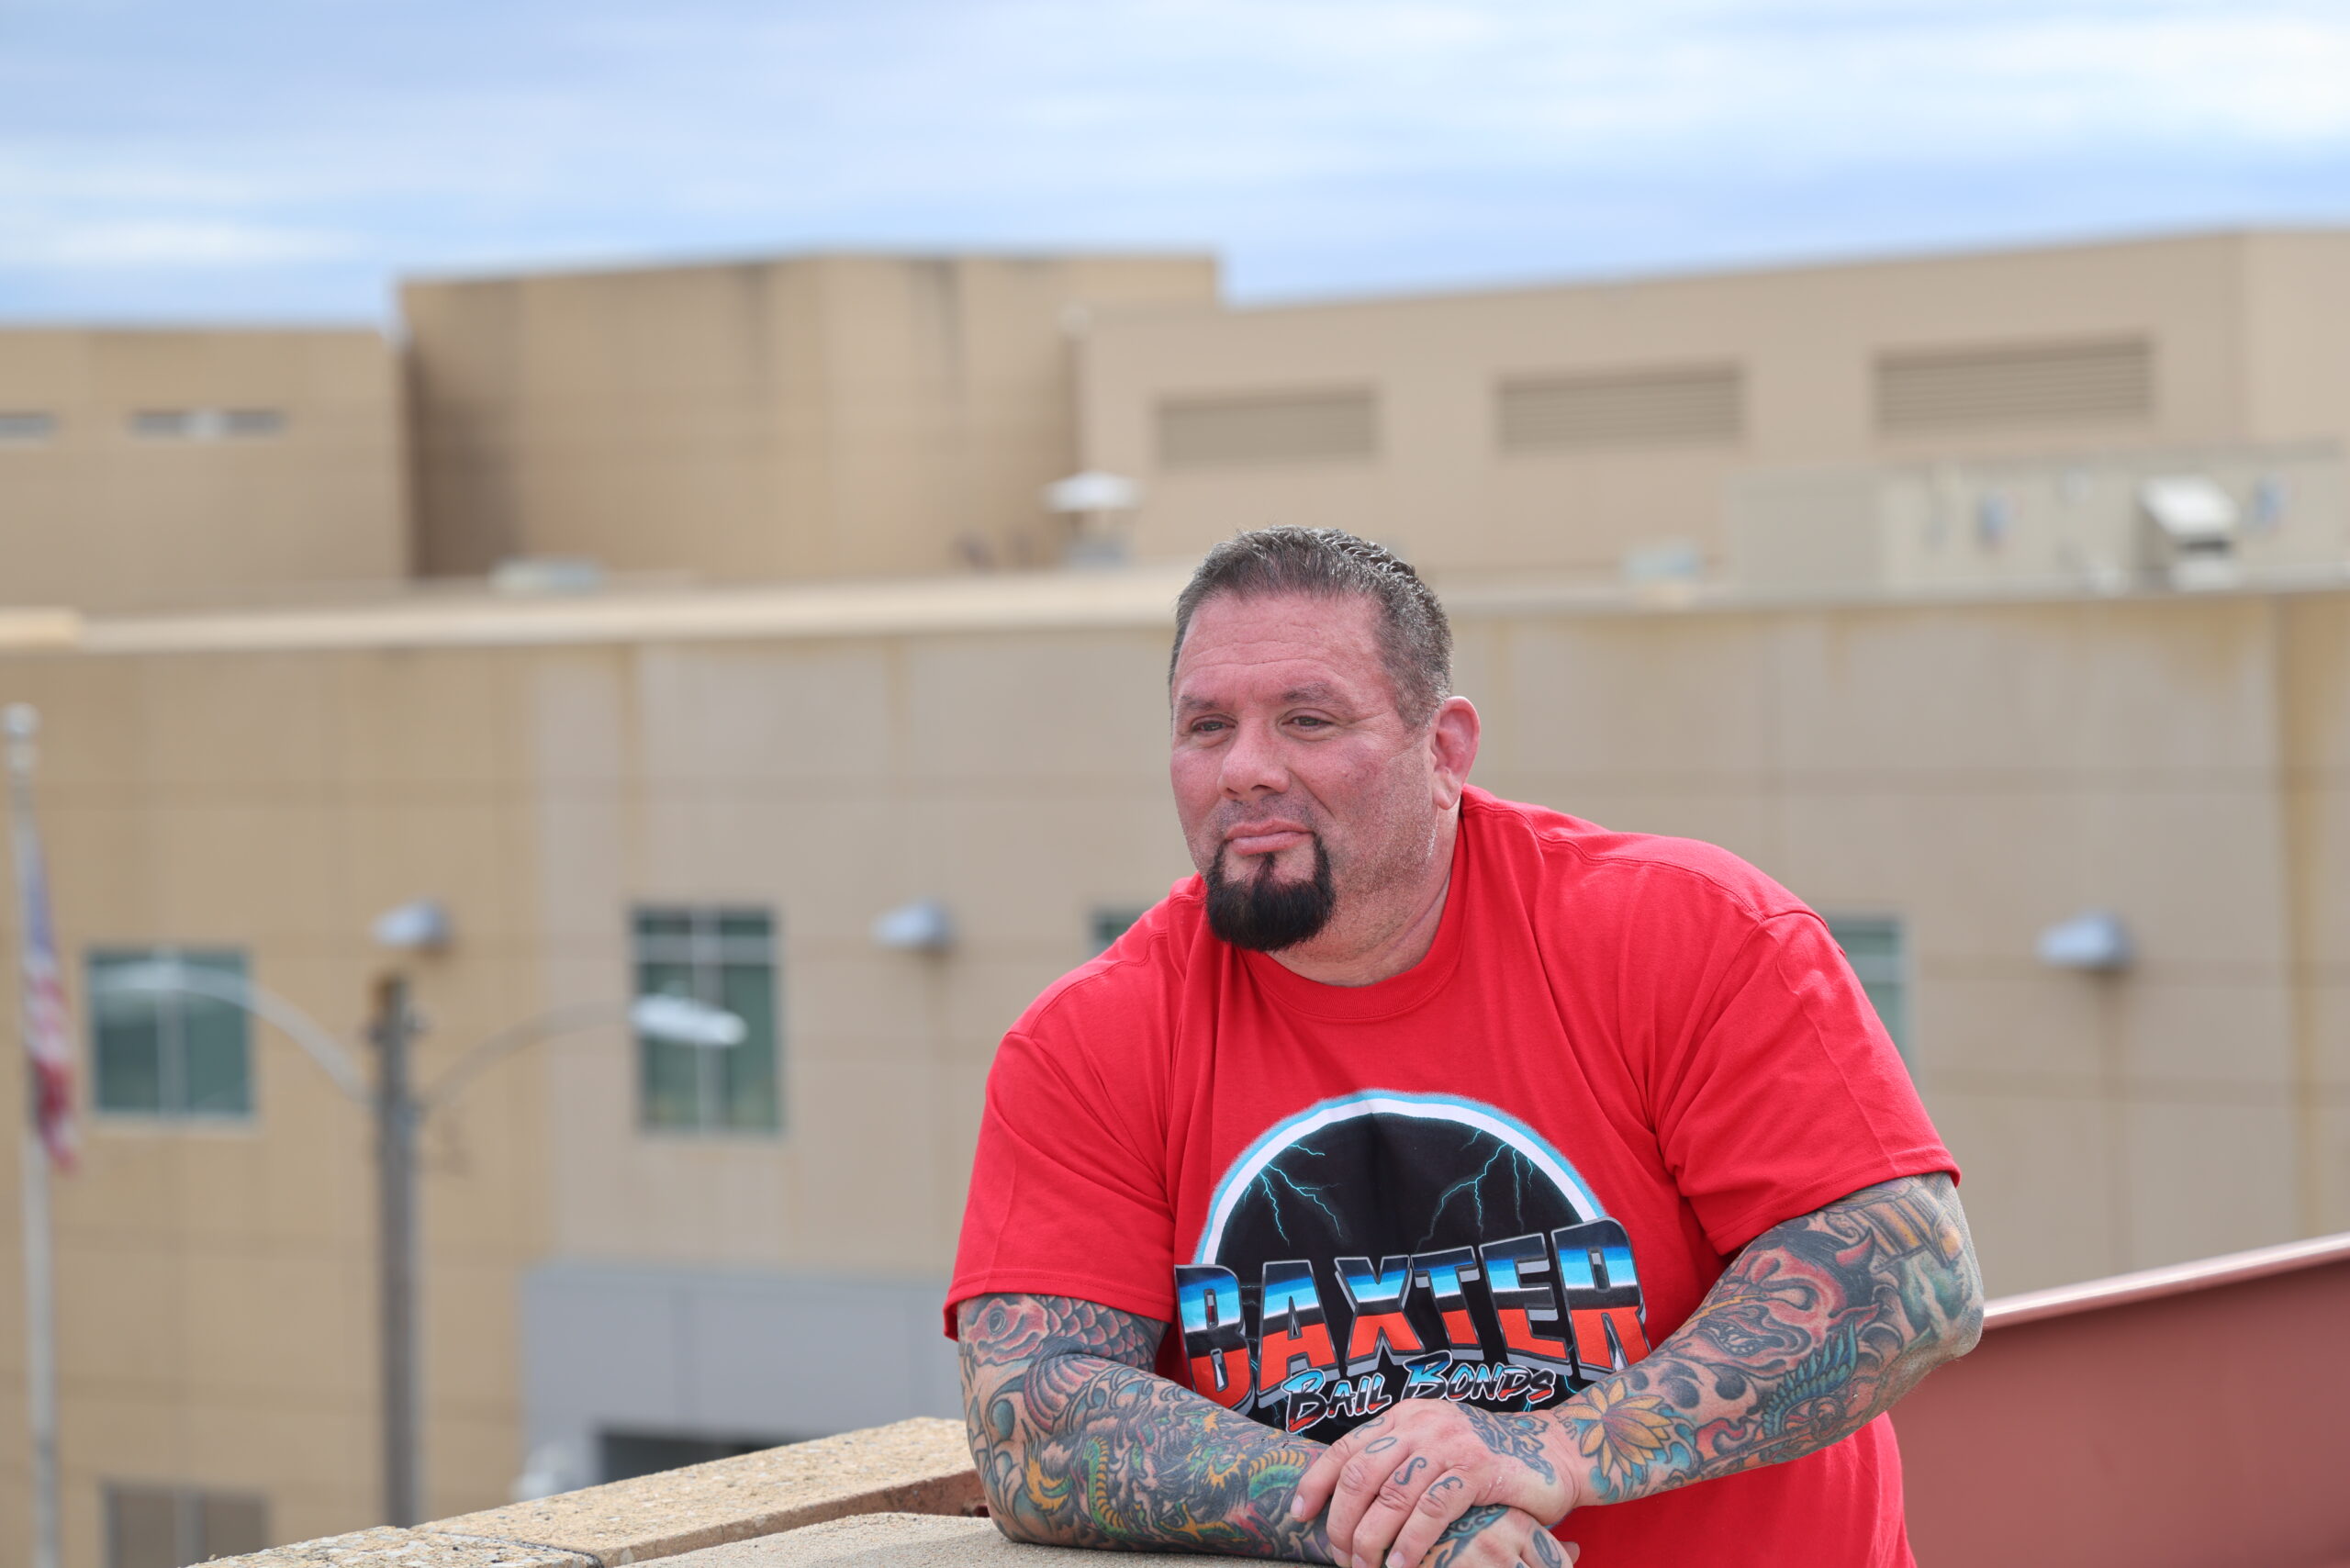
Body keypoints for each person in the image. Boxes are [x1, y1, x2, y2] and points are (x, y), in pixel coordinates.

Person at [946, 528, 1982, 1568]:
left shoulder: (1689, 932)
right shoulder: (1090, 1040)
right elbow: (1031, 1424)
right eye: (1205, 726)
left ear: (1443, 751)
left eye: (1308, 720)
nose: (1245, 769)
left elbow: (1908, 1277)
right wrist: (1394, 1513)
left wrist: (1550, 1450)